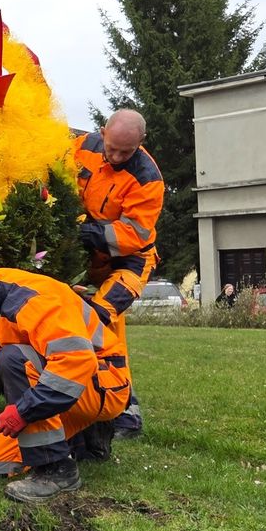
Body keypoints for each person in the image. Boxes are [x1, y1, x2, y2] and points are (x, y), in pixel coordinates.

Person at [0, 266, 132, 503]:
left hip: (102, 383)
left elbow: (77, 363)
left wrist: (24, 411)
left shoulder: (35, 304)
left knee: (14, 358)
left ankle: (56, 470)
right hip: (66, 391)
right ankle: (83, 437)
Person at [72, 109, 164, 439]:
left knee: (101, 320)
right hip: (91, 257)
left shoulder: (148, 179)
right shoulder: (83, 146)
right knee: (91, 325)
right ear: (102, 133)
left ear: (141, 143)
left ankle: (125, 412)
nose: (116, 156)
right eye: (112, 148)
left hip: (130, 263)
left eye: (126, 152)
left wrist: (91, 233)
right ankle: (105, 402)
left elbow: (134, 235)